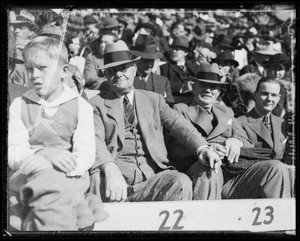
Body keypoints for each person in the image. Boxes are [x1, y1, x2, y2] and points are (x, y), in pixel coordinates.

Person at [87, 40, 221, 202]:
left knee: (180, 181)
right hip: (117, 179)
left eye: (123, 68)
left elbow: (179, 125)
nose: (118, 74)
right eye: (112, 70)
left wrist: (202, 148)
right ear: (106, 75)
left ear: (134, 69)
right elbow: (95, 139)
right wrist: (109, 166)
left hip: (153, 178)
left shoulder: (153, 100)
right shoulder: (96, 104)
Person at [8, 36, 108, 231]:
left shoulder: (80, 107)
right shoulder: (19, 105)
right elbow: (13, 152)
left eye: (42, 68)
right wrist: (43, 155)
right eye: (29, 68)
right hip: (28, 183)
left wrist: (56, 172)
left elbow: (85, 156)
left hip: (69, 180)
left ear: (64, 71)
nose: (34, 75)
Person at [167, 62, 291, 200]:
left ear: (219, 92)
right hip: (200, 171)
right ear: (194, 87)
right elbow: (175, 148)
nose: (208, 90)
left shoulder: (226, 112)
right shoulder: (180, 110)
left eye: (213, 87)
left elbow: (247, 142)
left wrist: (236, 140)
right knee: (210, 168)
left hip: (231, 177)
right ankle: (207, 220)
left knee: (275, 168)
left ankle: (279, 220)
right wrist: (206, 150)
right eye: (203, 85)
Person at [237, 77, 295, 197]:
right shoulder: (240, 122)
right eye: (264, 94)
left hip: (281, 183)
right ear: (255, 95)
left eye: (274, 95)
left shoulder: (283, 123)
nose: (269, 99)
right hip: (252, 184)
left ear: (279, 98)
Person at [130, 34, 174, 105]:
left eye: (152, 60)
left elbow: (170, 106)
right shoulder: (129, 80)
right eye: (145, 60)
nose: (149, 65)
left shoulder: (163, 81)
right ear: (136, 59)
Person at [160, 36, 200, 104]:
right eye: (173, 49)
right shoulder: (165, 67)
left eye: (177, 49)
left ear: (186, 52)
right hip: (175, 101)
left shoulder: (194, 66)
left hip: (194, 100)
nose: (174, 51)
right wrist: (183, 86)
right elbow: (164, 84)